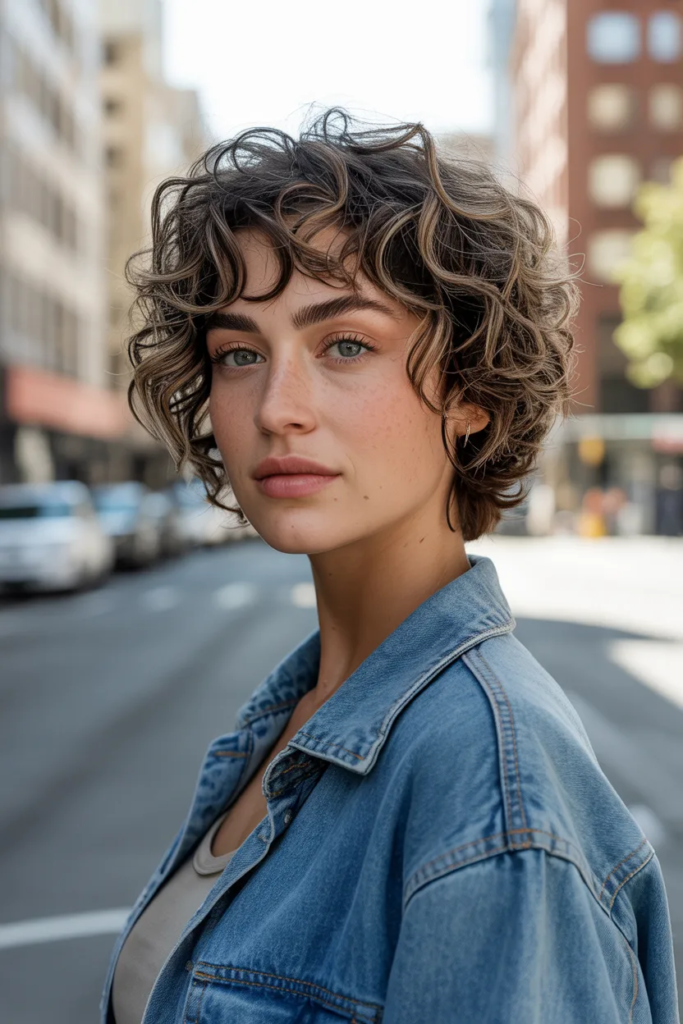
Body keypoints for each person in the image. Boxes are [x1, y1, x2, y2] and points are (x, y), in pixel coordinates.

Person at [102, 109, 679, 1023]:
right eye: (240, 352)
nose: (277, 407)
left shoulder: (490, 793)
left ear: (472, 392)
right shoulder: (298, 718)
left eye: (345, 344)